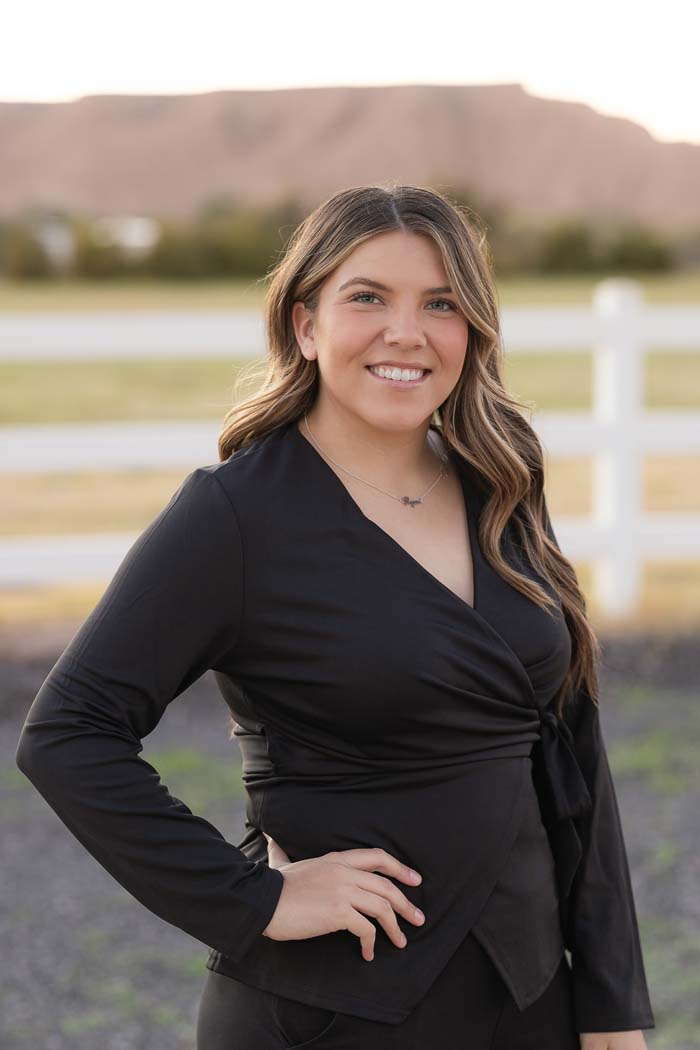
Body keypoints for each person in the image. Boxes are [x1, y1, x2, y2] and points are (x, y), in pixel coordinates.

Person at [16, 184, 656, 1049]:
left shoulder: (501, 483)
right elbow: (67, 733)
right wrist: (256, 899)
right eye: (367, 298)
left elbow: (569, 743)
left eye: (441, 303)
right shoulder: (236, 516)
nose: (407, 332)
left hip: (532, 998)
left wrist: (613, 1003)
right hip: (334, 1011)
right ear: (305, 325)